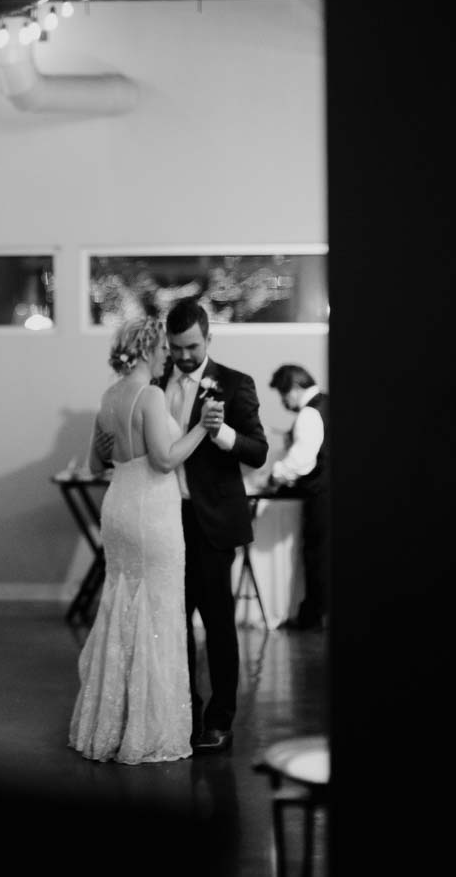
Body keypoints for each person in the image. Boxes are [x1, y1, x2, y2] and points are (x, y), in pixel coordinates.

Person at [69, 316, 219, 764]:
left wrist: (104, 437)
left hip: (118, 508)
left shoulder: (109, 396)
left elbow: (96, 465)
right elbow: (166, 458)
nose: (168, 357)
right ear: (151, 350)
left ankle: (109, 723)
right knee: (157, 609)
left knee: (121, 606)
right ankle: (148, 728)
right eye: (164, 350)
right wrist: (202, 427)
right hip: (152, 511)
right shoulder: (150, 395)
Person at [161, 298, 269, 754]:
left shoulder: (234, 384)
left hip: (210, 524)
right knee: (173, 623)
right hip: (165, 521)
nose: (184, 356)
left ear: (208, 338)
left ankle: (220, 719)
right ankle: (183, 711)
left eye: (192, 346)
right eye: (176, 347)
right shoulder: (152, 384)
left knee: (218, 624)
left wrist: (222, 432)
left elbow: (259, 451)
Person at [268, 364, 330, 631]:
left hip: (321, 494)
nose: (284, 402)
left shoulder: (309, 412)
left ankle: (313, 617)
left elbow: (302, 461)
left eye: (284, 395)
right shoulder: (328, 403)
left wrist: (275, 474)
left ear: (294, 387)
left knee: (316, 555)